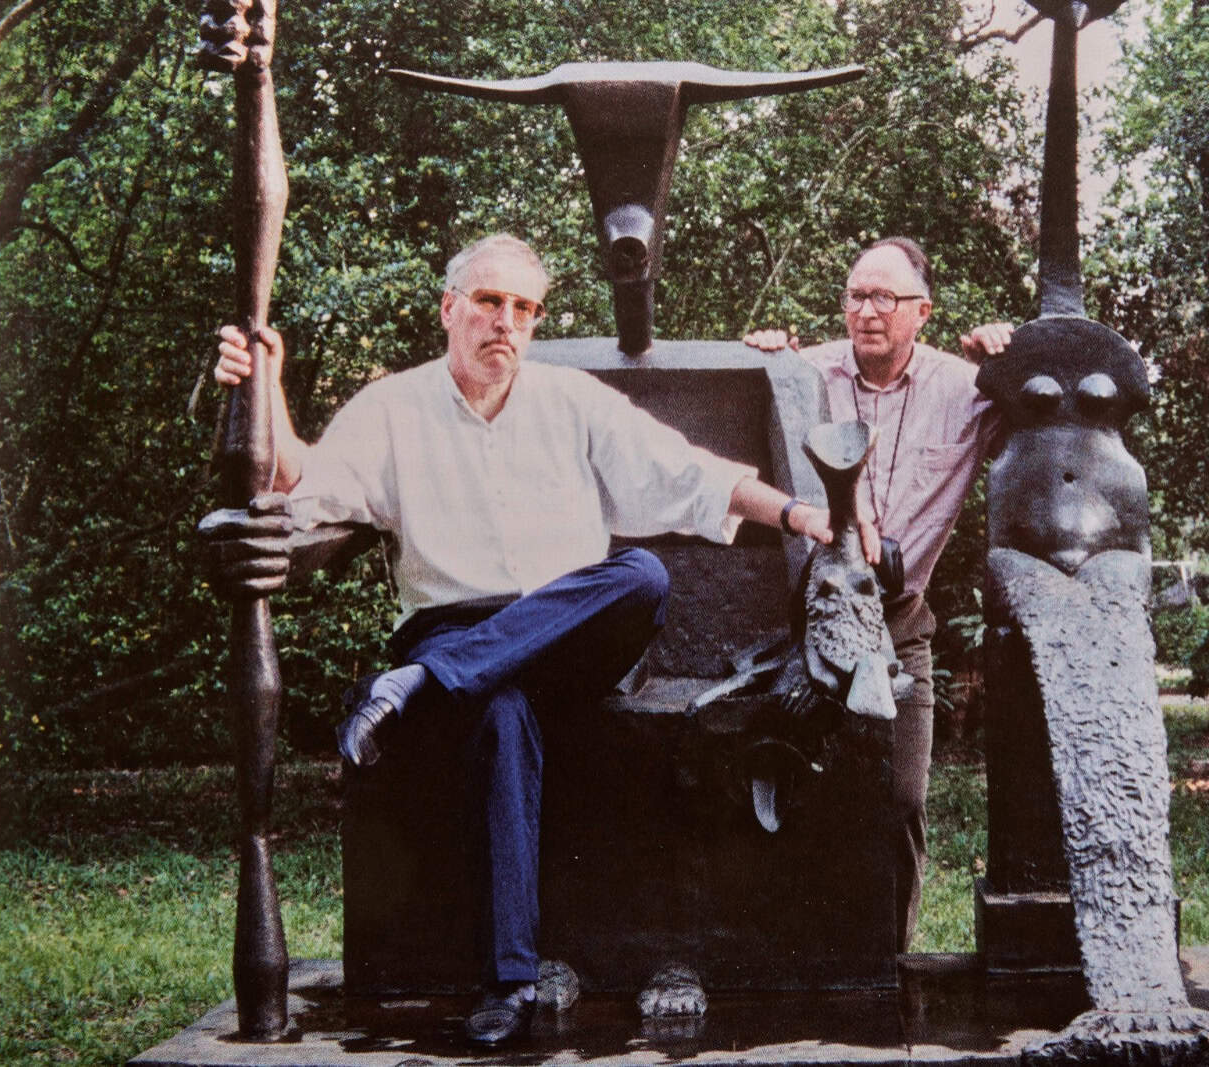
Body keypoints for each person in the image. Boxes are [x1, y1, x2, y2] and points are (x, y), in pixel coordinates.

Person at [210, 233, 868, 1047]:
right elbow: (301, 486)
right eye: (489, 302)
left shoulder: (570, 400)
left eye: (524, 309)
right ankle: (508, 983)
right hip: (454, 624)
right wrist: (264, 383)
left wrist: (802, 513)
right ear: (450, 308)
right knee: (502, 712)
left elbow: (691, 473)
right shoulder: (392, 407)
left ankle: (420, 681)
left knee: (640, 577)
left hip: (573, 630)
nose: (506, 324)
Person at [743, 236, 1013, 952]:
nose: (868, 311)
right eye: (856, 295)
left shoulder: (968, 387)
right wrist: (759, 352)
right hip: (804, 618)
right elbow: (729, 407)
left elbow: (1053, 411)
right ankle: (800, 958)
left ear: (922, 311)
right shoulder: (802, 375)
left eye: (885, 298)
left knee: (900, 797)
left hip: (899, 621)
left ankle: (889, 958)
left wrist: (1011, 355)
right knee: (786, 793)